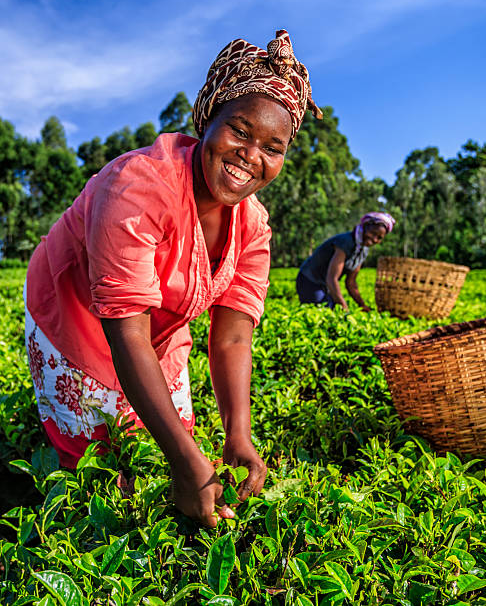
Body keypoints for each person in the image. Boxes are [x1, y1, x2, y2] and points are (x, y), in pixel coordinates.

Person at [24, 29, 321, 527]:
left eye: (274, 146)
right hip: (74, 314)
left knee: (172, 444)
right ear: (208, 120)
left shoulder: (253, 226)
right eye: (241, 131)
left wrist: (238, 437)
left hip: (158, 325)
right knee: (100, 471)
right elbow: (126, 332)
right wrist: (187, 464)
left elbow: (230, 339)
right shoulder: (139, 185)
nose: (252, 155)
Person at [296, 212, 395, 311]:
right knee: (323, 311)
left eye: (379, 238)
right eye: (373, 233)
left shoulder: (363, 250)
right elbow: (332, 279)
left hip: (325, 285)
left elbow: (351, 282)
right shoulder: (346, 241)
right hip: (309, 280)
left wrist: (362, 305)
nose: (374, 239)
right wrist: (344, 307)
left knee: (333, 310)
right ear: (366, 226)